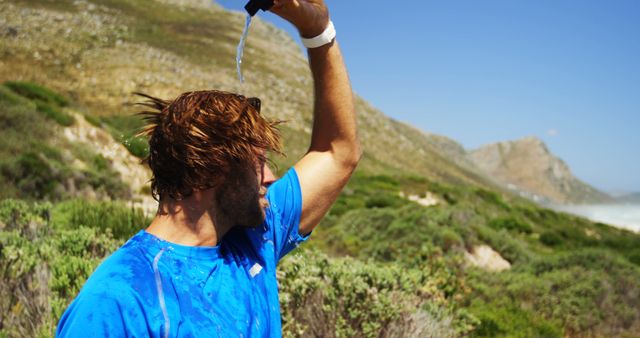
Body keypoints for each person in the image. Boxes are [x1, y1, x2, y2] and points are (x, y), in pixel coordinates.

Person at [55, 0, 361, 336]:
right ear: (213, 170)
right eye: (258, 164)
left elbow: (338, 152)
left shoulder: (255, 238)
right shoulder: (119, 300)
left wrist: (318, 30)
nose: (271, 178)